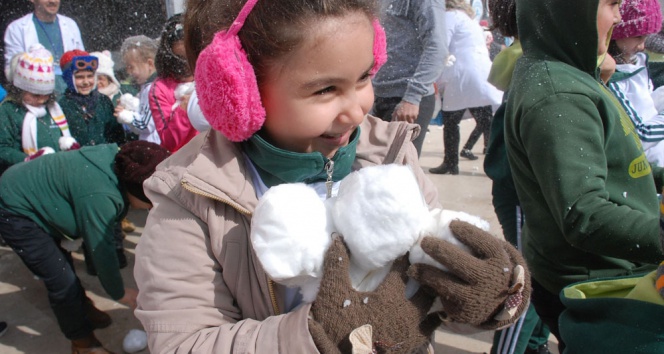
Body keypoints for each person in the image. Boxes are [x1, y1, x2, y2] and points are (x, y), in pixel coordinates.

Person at [133, 0, 531, 352]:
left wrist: (487, 294)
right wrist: (319, 335)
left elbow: (429, 286)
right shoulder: (190, 197)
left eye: (363, 77)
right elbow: (182, 341)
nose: (357, 111)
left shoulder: (387, 153)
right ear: (238, 92)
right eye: (325, 90)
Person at [504, 0, 664, 350]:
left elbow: (612, 162)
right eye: (611, 4)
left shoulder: (565, 73)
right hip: (600, 287)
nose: (620, 17)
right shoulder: (559, 94)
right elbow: (583, 214)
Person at [0, 141, 170, 353]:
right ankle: (83, 343)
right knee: (62, 281)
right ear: (136, 190)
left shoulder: (119, 162)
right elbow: (102, 249)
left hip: (30, 190)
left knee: (63, 265)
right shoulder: (101, 197)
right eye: (150, 203)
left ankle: (82, 307)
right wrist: (118, 292)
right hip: (15, 208)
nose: (151, 209)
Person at [484, 1, 552, 353]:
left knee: (545, 279)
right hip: (524, 193)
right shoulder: (531, 62)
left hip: (538, 195)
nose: (616, 15)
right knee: (528, 282)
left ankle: (534, 344)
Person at [429, 0, 502, 175]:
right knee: (486, 121)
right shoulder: (470, 20)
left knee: (451, 121)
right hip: (481, 74)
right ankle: (498, 163)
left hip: (462, 74)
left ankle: (451, 163)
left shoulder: (449, 17)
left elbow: (441, 44)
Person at [371, 0, 448, 156]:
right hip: (380, 96)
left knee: (399, 171)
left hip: (406, 100)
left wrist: (412, 97)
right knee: (376, 170)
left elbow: (437, 48)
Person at [0, 44, 79, 175]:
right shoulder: (8, 111)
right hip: (24, 175)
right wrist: (27, 160)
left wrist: (70, 147)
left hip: (56, 172)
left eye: (47, 94)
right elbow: (2, 148)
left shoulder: (53, 108)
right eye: (35, 95)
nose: (42, 100)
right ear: (20, 90)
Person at [606, 0, 664, 167]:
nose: (643, 46)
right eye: (638, 37)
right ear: (617, 32)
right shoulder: (613, 80)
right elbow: (639, 136)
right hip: (645, 167)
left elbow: (647, 105)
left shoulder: (637, 61)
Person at [3, 0, 84, 96]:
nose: (52, 1)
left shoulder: (71, 25)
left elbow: (82, 63)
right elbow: (12, 71)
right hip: (37, 96)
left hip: (71, 95)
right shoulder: (16, 28)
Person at [149, 14, 198, 152]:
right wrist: (184, 108)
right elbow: (168, 140)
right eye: (180, 59)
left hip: (219, 155)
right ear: (169, 57)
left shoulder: (209, 75)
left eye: (192, 57)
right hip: (185, 161)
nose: (187, 66)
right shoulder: (160, 88)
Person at [58, 50, 125, 147]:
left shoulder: (103, 101)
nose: (86, 82)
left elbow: (116, 136)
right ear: (69, 79)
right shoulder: (63, 106)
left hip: (104, 158)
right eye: (80, 77)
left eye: (90, 76)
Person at [114, 35, 161, 145]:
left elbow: (146, 125)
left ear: (150, 64)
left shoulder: (154, 89)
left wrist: (126, 116)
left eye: (131, 67)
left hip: (156, 146)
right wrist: (130, 106)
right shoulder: (146, 88)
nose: (129, 72)